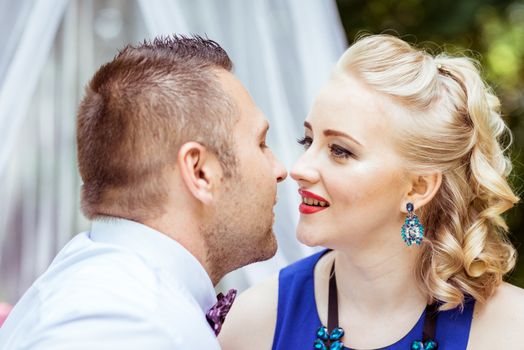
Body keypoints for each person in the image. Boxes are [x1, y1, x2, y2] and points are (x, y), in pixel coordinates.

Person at [219, 34, 524, 350]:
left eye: (339, 150)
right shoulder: (254, 324)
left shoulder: (512, 331)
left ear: (418, 187)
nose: (300, 169)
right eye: (308, 142)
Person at [0, 35, 287, 349]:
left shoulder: (105, 283)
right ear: (200, 171)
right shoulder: (131, 326)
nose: (281, 170)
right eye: (261, 144)